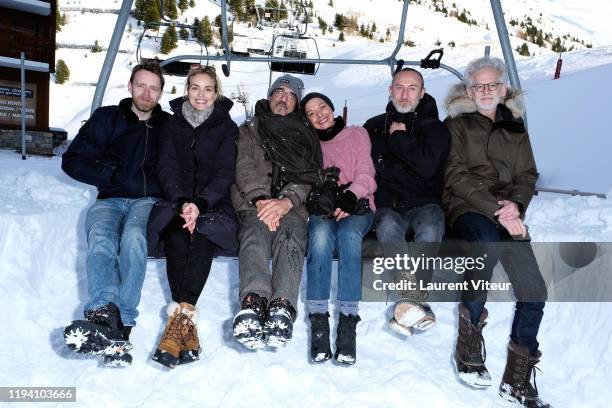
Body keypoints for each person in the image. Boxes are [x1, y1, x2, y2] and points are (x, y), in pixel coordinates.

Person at [443, 56, 549, 407]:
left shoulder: (515, 126)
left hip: (507, 210)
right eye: (478, 86)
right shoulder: (456, 125)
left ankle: (517, 378)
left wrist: (515, 205)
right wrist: (496, 210)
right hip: (468, 206)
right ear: (469, 91)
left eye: (492, 85)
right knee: (485, 246)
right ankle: (468, 346)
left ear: (502, 89)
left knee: (534, 289)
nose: (486, 91)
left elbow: (528, 175)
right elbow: (455, 176)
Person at [62, 62, 169, 367]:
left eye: (154, 87)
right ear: (130, 86)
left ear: (161, 92)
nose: (146, 93)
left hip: (147, 200)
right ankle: (102, 313)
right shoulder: (108, 118)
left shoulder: (167, 125)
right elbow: (72, 160)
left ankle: (122, 320)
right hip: (110, 198)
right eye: (141, 85)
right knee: (100, 239)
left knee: (134, 240)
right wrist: (110, 176)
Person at [146, 65, 238, 369]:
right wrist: (184, 201)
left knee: (202, 237)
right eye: (195, 88)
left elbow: (224, 173)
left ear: (216, 94)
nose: (201, 94)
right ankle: (185, 328)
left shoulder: (227, 128)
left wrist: (200, 203)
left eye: (208, 89)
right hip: (177, 201)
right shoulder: (172, 126)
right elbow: (166, 166)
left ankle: (178, 325)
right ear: (187, 90)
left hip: (212, 204)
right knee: (175, 234)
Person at [231, 74, 322, 349]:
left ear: (296, 103)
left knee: (291, 237)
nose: (284, 99)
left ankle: (282, 305)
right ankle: (253, 301)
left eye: (291, 96)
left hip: (291, 205)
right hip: (253, 202)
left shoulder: (305, 134)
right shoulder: (249, 128)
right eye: (279, 93)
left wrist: (285, 201)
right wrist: (262, 201)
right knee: (254, 234)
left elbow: (308, 175)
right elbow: (243, 166)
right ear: (269, 97)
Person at [363, 68, 451, 335]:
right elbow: (370, 167)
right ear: (390, 90)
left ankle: (411, 300)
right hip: (390, 204)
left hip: (424, 203)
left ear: (422, 93)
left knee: (430, 228)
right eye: (399, 87)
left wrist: (400, 139)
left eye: (412, 88)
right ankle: (416, 302)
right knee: (388, 226)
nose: (404, 94)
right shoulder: (374, 126)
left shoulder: (435, 128)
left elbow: (427, 166)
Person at [301, 92, 376, 365]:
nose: (319, 114)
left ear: (332, 109)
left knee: (348, 236)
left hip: (357, 205)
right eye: (311, 112)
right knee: (320, 237)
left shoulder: (356, 134)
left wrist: (351, 195)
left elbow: (367, 174)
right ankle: (319, 320)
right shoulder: (310, 145)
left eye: (322, 107)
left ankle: (348, 322)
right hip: (326, 207)